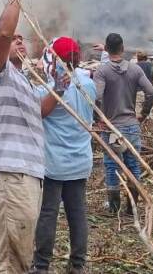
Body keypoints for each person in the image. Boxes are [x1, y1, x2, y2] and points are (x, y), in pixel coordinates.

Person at [0, 0, 45, 274]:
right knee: (15, 259)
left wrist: (62, 84)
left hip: (23, 174)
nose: (19, 40)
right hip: (11, 174)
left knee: (1, 247)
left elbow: (42, 113)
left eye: (23, 39)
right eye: (15, 38)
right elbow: (3, 34)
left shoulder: (23, 80)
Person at [32, 37, 95, 274]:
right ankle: (77, 264)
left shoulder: (49, 89)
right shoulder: (87, 84)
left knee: (47, 213)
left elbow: (39, 112)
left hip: (53, 163)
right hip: (80, 160)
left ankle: (41, 265)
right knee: (77, 213)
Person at [94, 32, 153, 214]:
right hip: (132, 125)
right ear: (122, 48)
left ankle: (114, 208)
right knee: (133, 164)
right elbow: (151, 92)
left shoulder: (102, 71)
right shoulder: (135, 70)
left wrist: (98, 119)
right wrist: (143, 114)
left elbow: (96, 97)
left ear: (106, 48)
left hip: (113, 128)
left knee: (112, 165)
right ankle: (132, 207)